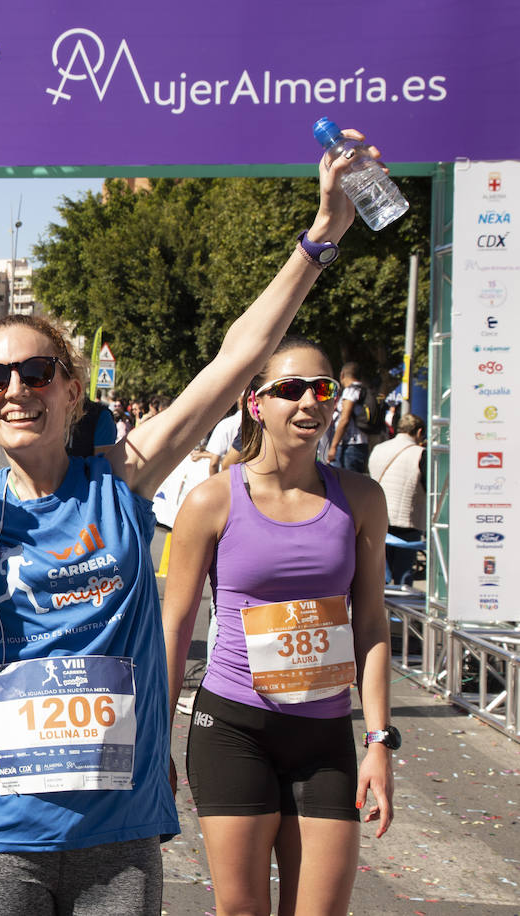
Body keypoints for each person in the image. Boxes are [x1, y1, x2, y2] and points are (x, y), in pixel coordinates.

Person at [0, 131, 373, 915]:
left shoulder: (121, 477)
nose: (16, 389)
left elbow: (237, 360)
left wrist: (322, 235)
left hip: (117, 834)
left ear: (72, 392)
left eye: (38, 372)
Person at [162, 337, 395, 916]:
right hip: (233, 729)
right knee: (242, 910)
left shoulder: (361, 498)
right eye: (289, 390)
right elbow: (174, 627)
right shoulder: (213, 501)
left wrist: (380, 742)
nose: (308, 403)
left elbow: (370, 622)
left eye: (322, 390)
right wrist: (153, 745)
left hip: (323, 734)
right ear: (254, 402)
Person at [368, 413, 426, 585]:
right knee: (403, 577)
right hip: (407, 523)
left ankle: (381, 610)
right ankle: (401, 612)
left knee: (380, 577)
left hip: (378, 521)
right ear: (419, 431)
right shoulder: (420, 454)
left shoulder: (379, 448)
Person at [327, 361, 371, 473]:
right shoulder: (364, 390)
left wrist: (333, 446)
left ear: (342, 375)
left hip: (349, 445)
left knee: (343, 484)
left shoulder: (350, 391)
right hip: (361, 444)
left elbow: (344, 419)